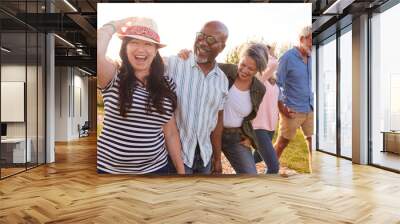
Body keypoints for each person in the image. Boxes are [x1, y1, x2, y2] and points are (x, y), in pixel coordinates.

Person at [97, 17, 185, 174]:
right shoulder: (113, 76)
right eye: (134, 42)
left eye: (148, 44)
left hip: (156, 169)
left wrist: (181, 171)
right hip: (110, 171)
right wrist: (114, 25)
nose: (141, 49)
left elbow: (170, 132)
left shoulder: (166, 83)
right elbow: (96, 52)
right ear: (125, 47)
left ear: (156, 50)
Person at [166, 21, 229, 174]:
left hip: (204, 158)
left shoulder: (222, 80)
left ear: (222, 47)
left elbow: (217, 122)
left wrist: (217, 158)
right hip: (174, 158)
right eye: (200, 36)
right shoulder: (174, 64)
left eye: (211, 40)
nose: (202, 42)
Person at [218, 43, 267, 174]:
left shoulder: (260, 89)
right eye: (243, 64)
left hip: (236, 137)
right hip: (211, 134)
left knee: (250, 175)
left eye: (251, 68)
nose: (245, 70)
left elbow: (250, 117)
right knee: (210, 175)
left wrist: (250, 137)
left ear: (258, 70)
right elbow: (202, 64)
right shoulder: (223, 70)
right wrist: (186, 55)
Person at [274, 26, 314, 172]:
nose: (312, 45)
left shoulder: (312, 58)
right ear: (302, 39)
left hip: (310, 108)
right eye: (311, 40)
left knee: (312, 144)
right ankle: (269, 171)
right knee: (282, 143)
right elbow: (276, 85)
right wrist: (282, 108)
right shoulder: (287, 58)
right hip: (292, 109)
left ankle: (315, 176)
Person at [251, 45, 280, 174]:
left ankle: (242, 171)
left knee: (255, 158)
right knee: (273, 167)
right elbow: (274, 64)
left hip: (270, 127)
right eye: (268, 55)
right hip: (258, 127)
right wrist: (269, 55)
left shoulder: (273, 80)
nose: (272, 56)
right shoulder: (257, 77)